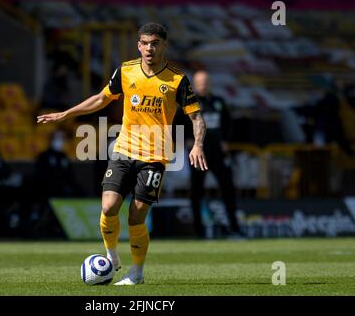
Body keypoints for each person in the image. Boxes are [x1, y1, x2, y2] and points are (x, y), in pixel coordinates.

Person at [38, 22, 207, 285]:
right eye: (144, 43)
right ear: (138, 45)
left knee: (137, 215)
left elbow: (196, 117)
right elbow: (101, 98)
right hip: (124, 149)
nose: (149, 48)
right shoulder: (126, 71)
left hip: (154, 156)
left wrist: (197, 144)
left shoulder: (177, 79)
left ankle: (136, 273)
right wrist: (66, 113)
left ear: (164, 45)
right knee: (108, 206)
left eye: (155, 43)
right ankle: (111, 256)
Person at [182, 70, 242, 238]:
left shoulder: (218, 102)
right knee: (196, 191)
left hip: (218, 153)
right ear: (194, 84)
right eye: (199, 82)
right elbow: (179, 122)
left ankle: (235, 229)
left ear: (209, 83)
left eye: (205, 82)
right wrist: (187, 140)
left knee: (228, 189)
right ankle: (199, 231)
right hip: (198, 153)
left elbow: (228, 123)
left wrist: (225, 141)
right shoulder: (188, 102)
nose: (203, 85)